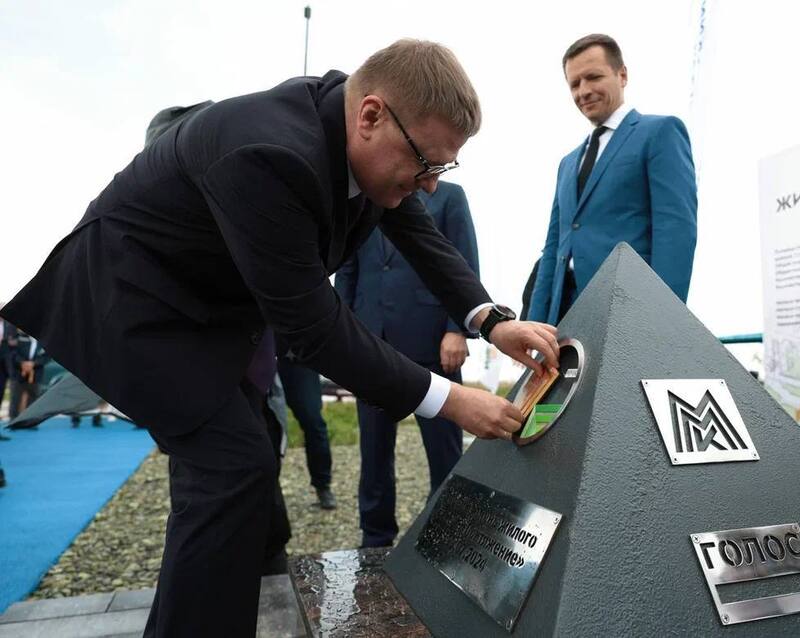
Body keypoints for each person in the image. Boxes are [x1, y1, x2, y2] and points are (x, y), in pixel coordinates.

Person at [0, 39, 559, 638]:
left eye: (442, 170)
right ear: (371, 115)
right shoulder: (269, 154)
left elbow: (421, 238)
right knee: (234, 470)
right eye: (426, 164)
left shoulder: (359, 137)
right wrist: (450, 400)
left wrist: (493, 322)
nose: (428, 186)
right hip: (131, 305)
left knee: (233, 474)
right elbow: (315, 328)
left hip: (205, 315)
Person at [336, 181, 478, 547]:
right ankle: (375, 535)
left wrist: (457, 329)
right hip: (371, 342)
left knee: (444, 451)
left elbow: (462, 264)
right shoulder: (363, 196)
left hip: (431, 341)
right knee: (373, 450)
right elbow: (347, 269)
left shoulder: (450, 196)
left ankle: (447, 536)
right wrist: (342, 334)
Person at [527, 33, 697, 325]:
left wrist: (664, 322)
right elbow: (553, 247)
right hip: (564, 316)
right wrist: (535, 323)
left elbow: (675, 230)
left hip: (628, 308)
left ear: (622, 75)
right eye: (575, 84)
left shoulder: (660, 133)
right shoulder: (567, 163)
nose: (584, 91)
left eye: (593, 77)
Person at [277, 359, 337, 509]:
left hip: (297, 360)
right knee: (265, 426)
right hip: (260, 358)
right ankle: (266, 490)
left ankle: (323, 485)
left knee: (314, 424)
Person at [9, 329, 49, 419]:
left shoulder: (45, 341)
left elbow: (46, 356)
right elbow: (14, 353)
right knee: (15, 398)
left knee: (33, 399)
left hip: (36, 374)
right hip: (19, 373)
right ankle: (13, 420)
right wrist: (23, 363)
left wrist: (33, 363)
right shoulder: (20, 337)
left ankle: (30, 420)